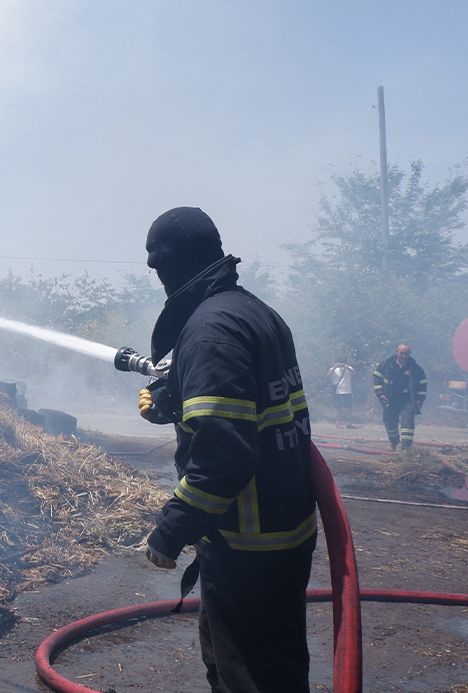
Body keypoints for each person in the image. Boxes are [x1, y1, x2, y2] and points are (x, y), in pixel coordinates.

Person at [135, 207, 316, 693]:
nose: (158, 277)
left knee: (249, 679)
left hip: (248, 543)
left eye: (158, 265)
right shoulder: (251, 311)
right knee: (268, 670)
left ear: (171, 262)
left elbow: (225, 456)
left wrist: (171, 530)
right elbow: (247, 410)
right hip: (283, 530)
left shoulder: (209, 330)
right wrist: (176, 401)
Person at [373, 343, 427, 451]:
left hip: (407, 399)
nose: (403, 356)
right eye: (401, 353)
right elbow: (377, 376)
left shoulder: (415, 368)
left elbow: (423, 384)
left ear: (410, 353)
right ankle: (394, 442)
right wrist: (380, 393)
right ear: (397, 351)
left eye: (406, 353)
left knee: (407, 424)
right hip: (390, 398)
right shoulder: (387, 364)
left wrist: (419, 400)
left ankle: (406, 449)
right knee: (389, 422)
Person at [328, 358, 357, 428]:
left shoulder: (348, 368)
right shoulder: (333, 369)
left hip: (347, 391)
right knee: (338, 409)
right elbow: (329, 375)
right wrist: (334, 367)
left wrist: (347, 368)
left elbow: (354, 373)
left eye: (342, 363)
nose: (341, 365)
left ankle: (348, 423)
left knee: (348, 408)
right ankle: (338, 423)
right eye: (340, 363)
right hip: (338, 392)